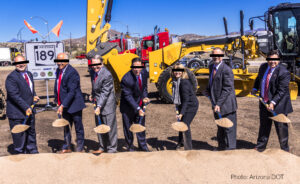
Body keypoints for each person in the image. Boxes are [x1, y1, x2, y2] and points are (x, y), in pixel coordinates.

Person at [251, 50, 293, 152]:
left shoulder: (284, 72)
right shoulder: (263, 67)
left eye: (275, 59)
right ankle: (260, 146)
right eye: (270, 59)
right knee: (264, 126)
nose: (272, 62)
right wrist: (255, 88)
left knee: (281, 128)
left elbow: (281, 91)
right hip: (264, 103)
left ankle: (284, 150)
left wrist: (273, 102)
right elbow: (259, 79)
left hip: (278, 105)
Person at [5, 55, 40, 154]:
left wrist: (34, 96)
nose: (21, 65)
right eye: (18, 63)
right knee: (19, 138)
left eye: (22, 62)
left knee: (31, 134)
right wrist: (26, 107)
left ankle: (33, 153)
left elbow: (30, 90)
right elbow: (14, 96)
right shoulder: (11, 78)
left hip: (29, 111)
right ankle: (20, 157)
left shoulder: (29, 74)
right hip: (17, 113)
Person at [205, 48, 237, 150]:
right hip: (216, 104)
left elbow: (227, 89)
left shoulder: (227, 70)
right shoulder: (211, 66)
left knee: (229, 129)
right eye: (214, 55)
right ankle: (221, 148)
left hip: (226, 105)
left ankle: (230, 150)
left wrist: (218, 104)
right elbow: (212, 82)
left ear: (222, 56)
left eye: (219, 55)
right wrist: (207, 90)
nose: (216, 57)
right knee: (220, 128)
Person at [54, 53, 85, 153]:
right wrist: (57, 101)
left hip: (74, 104)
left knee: (78, 127)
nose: (59, 63)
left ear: (67, 61)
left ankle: (80, 148)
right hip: (65, 104)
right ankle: (67, 146)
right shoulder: (58, 71)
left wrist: (63, 105)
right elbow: (58, 87)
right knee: (66, 126)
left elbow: (72, 92)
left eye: (62, 61)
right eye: (58, 61)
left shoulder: (72, 73)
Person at [120, 57, 150, 152]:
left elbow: (144, 87)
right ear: (132, 67)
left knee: (140, 126)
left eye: (139, 67)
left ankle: (143, 147)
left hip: (139, 104)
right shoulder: (126, 79)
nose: (137, 69)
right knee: (128, 128)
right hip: (127, 107)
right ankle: (130, 147)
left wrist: (145, 96)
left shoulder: (144, 73)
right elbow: (128, 96)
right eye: (135, 67)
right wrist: (138, 108)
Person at [89, 55, 118, 154]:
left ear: (102, 63)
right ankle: (102, 147)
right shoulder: (93, 72)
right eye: (93, 64)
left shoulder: (107, 75)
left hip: (107, 105)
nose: (95, 67)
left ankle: (112, 149)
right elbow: (94, 86)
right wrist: (92, 95)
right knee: (99, 126)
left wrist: (99, 106)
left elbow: (105, 92)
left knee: (110, 128)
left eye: (98, 65)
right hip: (98, 103)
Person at [171, 63, 198, 150]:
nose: (177, 72)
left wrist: (181, 113)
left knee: (185, 124)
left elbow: (186, 100)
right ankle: (180, 142)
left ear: (183, 72)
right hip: (182, 104)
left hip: (191, 105)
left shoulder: (184, 83)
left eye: (179, 70)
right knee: (180, 123)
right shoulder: (175, 81)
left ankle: (188, 148)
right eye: (175, 70)